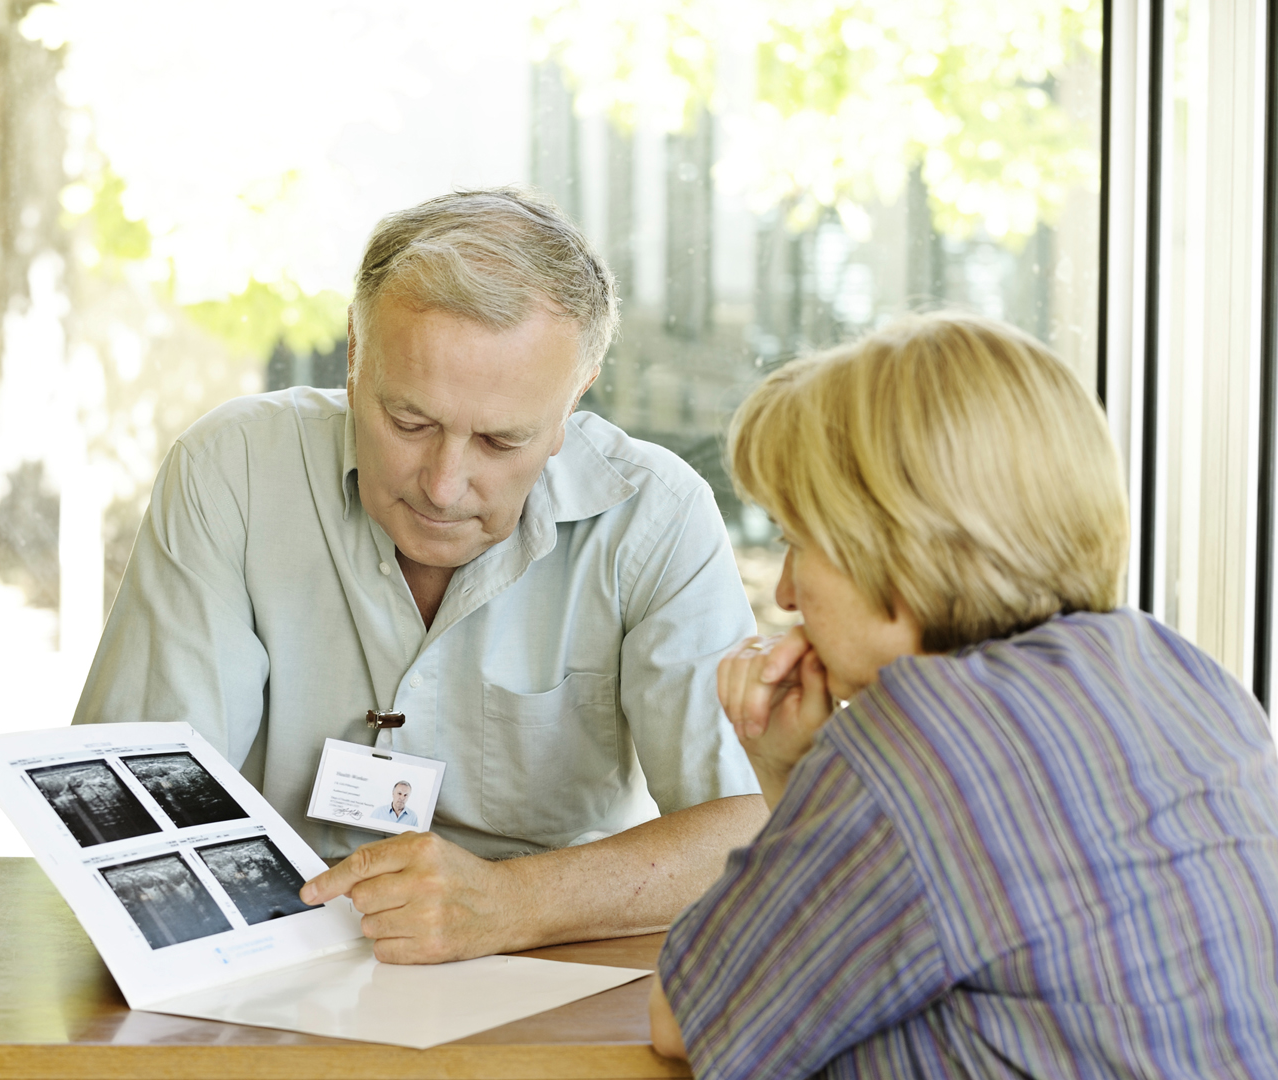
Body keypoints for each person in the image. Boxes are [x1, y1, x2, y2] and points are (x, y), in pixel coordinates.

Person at [74, 187, 766, 964]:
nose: (442, 484)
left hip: (552, 956)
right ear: (352, 350)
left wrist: (515, 903)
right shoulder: (230, 468)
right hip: (273, 953)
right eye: (409, 423)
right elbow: (130, 811)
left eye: (501, 441)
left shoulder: (657, 516)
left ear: (578, 392)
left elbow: (748, 828)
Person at [650, 313, 1278, 1078]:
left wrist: (797, 768)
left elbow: (690, 1018)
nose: (784, 595)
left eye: (796, 540)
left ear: (896, 542)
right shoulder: (1177, 671)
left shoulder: (919, 741)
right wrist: (801, 772)